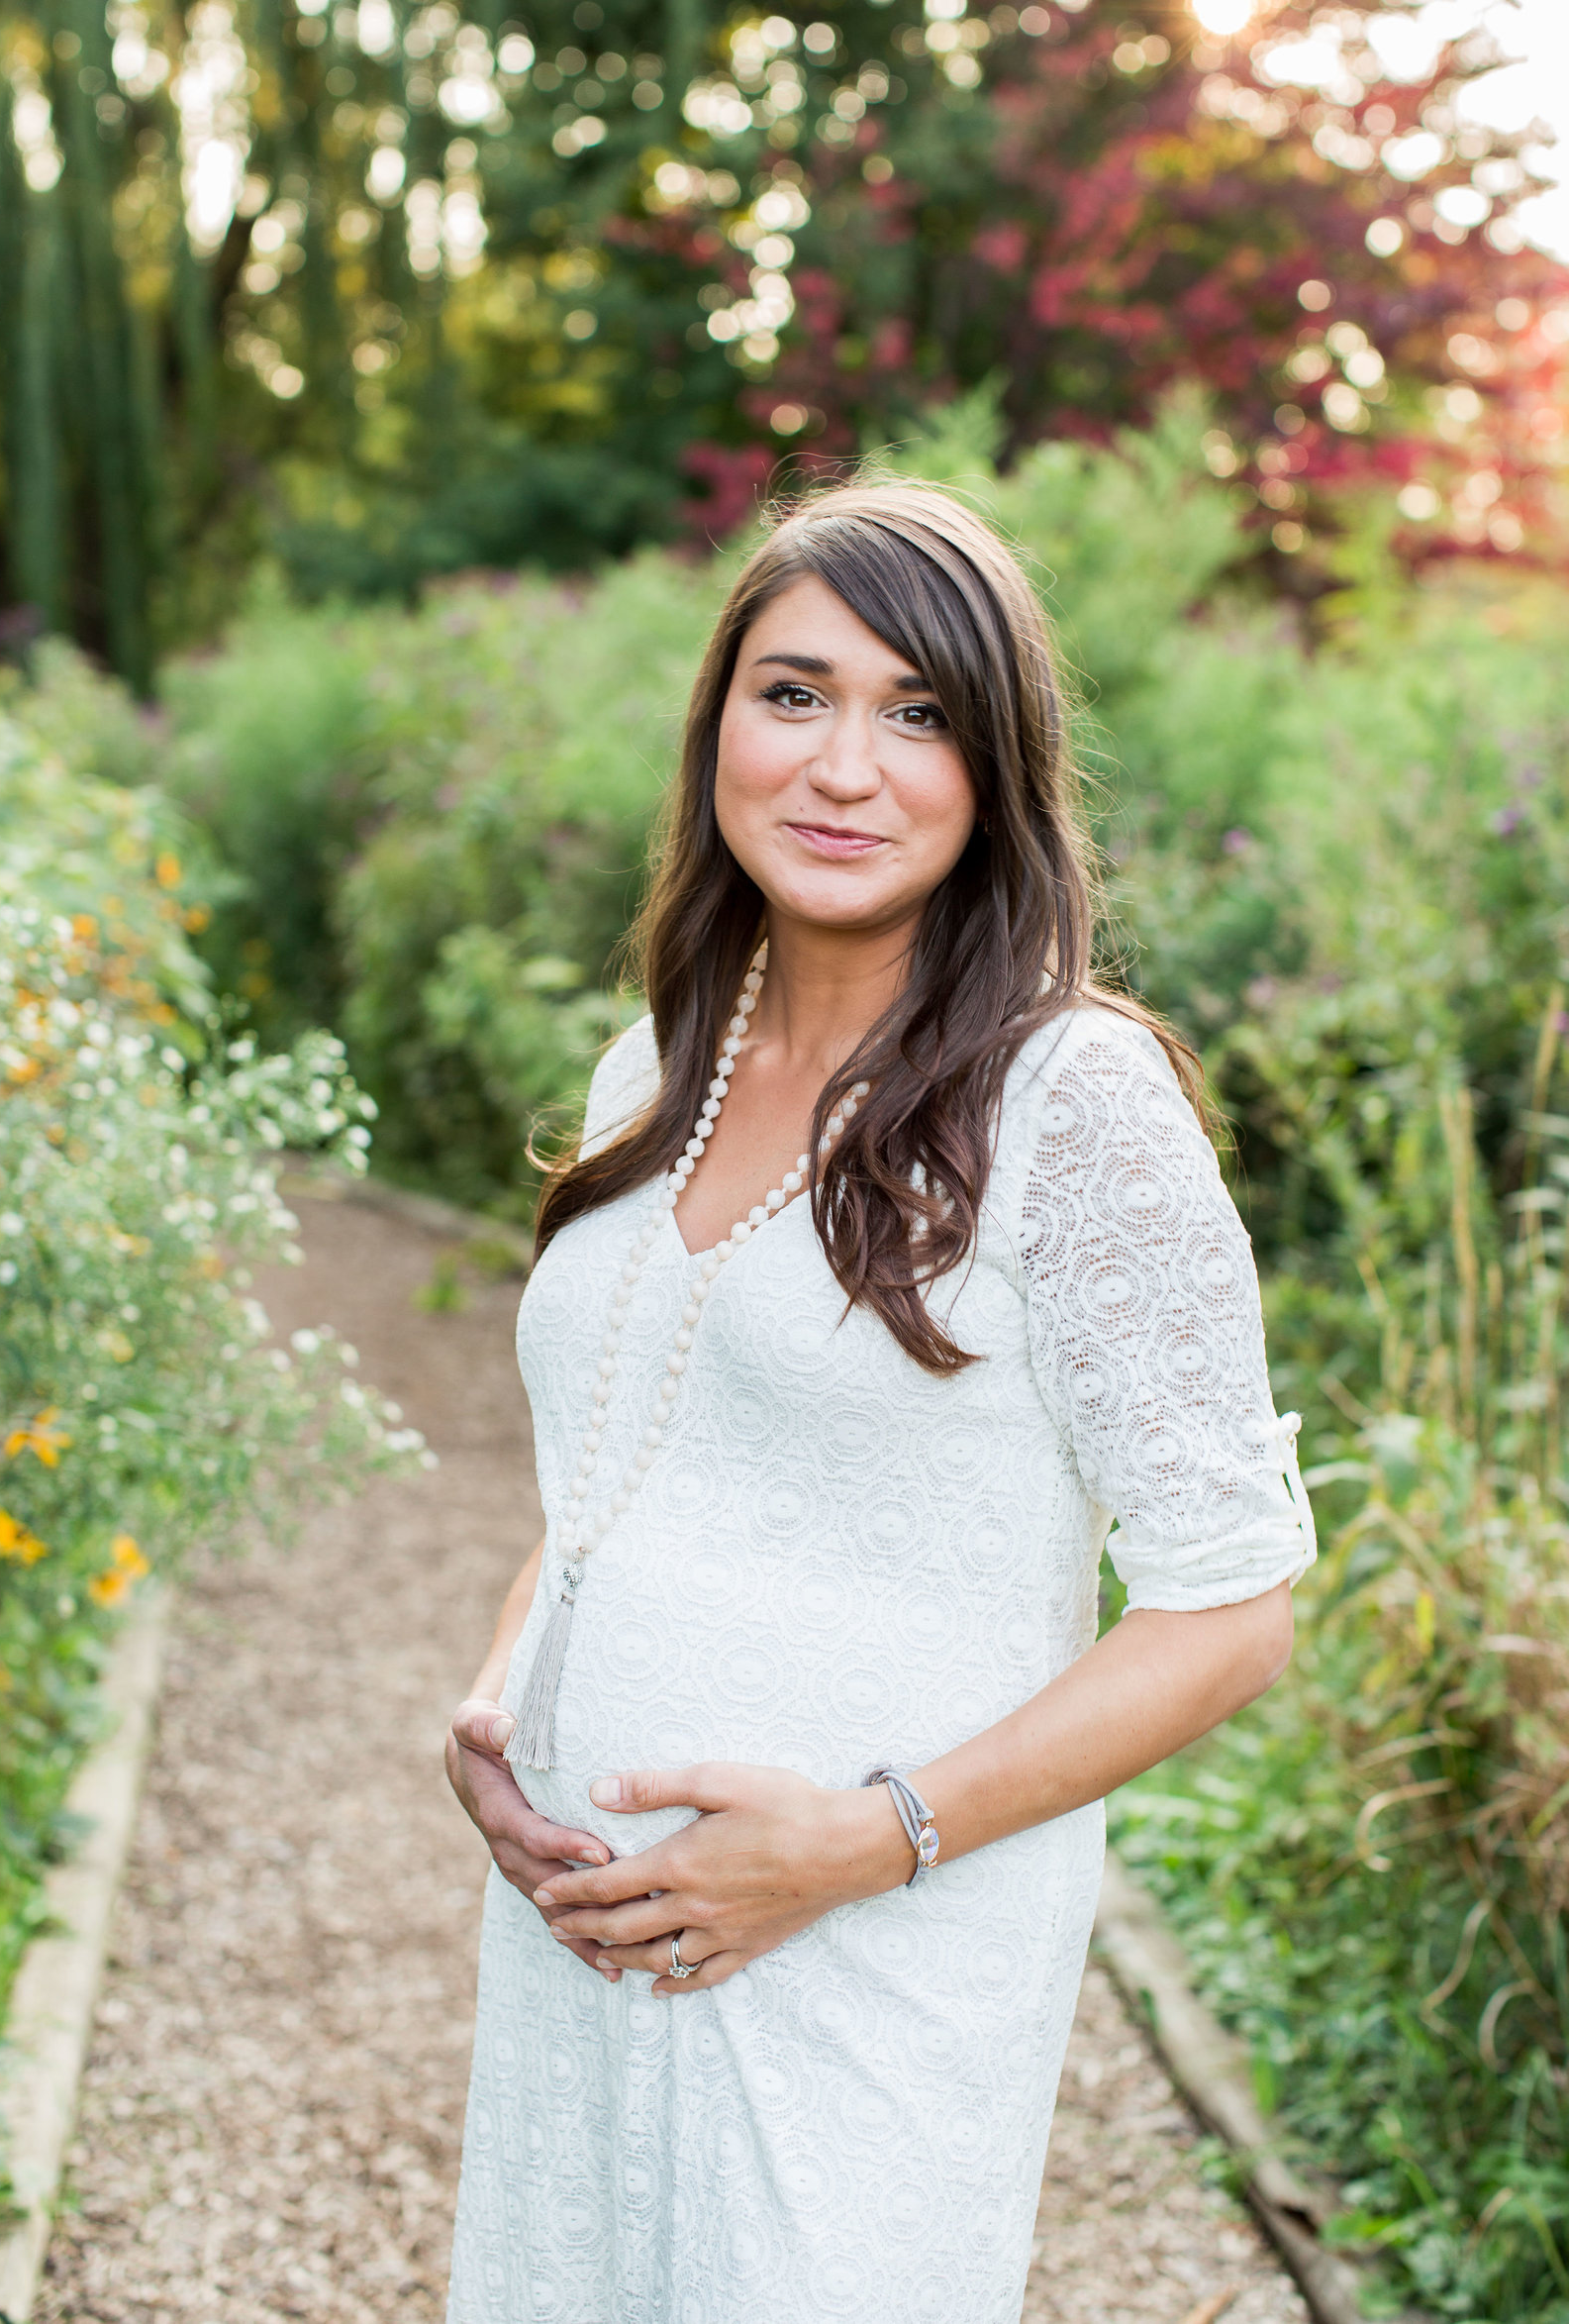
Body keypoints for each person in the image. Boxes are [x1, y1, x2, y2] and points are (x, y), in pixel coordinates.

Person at [442, 479, 1316, 2324]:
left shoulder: (1069, 1106)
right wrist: (505, 1685)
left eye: (920, 715)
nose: (848, 766)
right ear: (716, 735)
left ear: (995, 772)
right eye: (796, 694)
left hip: (869, 1960)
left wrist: (857, 1840)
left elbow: (1233, 1606)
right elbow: (629, 1457)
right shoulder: (653, 1066)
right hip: (583, 1940)